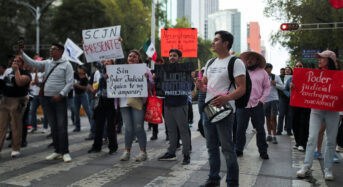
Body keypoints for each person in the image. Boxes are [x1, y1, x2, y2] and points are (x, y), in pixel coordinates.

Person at [197, 31, 244, 187]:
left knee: (227, 148)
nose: (213, 42)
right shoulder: (210, 62)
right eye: (213, 39)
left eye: (216, 40)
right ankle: (213, 179)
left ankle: (232, 182)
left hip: (225, 110)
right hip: (209, 110)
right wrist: (199, 86)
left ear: (226, 43)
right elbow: (204, 86)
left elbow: (242, 88)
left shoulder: (235, 62)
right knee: (211, 146)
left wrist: (227, 98)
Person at [20, 43, 74, 162]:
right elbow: (33, 63)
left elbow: (70, 83)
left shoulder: (67, 65)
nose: (51, 51)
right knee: (53, 126)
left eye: (53, 49)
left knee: (61, 126)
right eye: (50, 49)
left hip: (60, 99)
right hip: (46, 99)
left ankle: (65, 152)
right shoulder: (48, 63)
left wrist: (61, 94)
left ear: (60, 51)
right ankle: (57, 151)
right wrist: (22, 53)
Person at [296, 50, 340, 180]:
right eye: (318, 58)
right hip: (316, 110)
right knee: (312, 138)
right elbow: (304, 88)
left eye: (322, 58)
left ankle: (328, 169)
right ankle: (306, 166)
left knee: (331, 140)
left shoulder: (338, 76)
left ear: (330, 61)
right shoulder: (313, 75)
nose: (319, 60)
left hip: (333, 110)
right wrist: (295, 85)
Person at [157, 48, 191, 165]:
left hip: (180, 104)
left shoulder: (185, 71)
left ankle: (186, 155)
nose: (171, 57)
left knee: (183, 130)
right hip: (168, 104)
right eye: (170, 55)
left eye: (174, 55)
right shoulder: (164, 70)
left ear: (180, 58)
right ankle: (171, 152)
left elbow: (190, 87)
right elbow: (159, 85)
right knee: (171, 131)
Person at [120, 49, 153, 162]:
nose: (131, 58)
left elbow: (152, 84)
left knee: (138, 127)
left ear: (139, 58)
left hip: (138, 102)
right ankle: (127, 151)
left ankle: (143, 152)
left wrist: (147, 79)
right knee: (128, 128)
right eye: (130, 56)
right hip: (124, 102)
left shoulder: (145, 70)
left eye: (134, 56)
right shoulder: (120, 70)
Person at [235, 52, 270, 158]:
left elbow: (267, 88)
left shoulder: (263, 73)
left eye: (252, 58)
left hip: (257, 104)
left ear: (257, 60)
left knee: (260, 129)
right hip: (242, 104)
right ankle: (239, 149)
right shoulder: (241, 72)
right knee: (240, 128)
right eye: (247, 58)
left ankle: (263, 151)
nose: (249, 60)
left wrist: (262, 100)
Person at [0, 56, 31, 158]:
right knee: (2, 126)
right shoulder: (8, 72)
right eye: (14, 61)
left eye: (18, 61)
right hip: (5, 100)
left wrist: (16, 70)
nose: (15, 63)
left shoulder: (26, 74)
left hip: (17, 100)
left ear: (23, 64)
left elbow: (19, 82)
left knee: (16, 125)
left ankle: (15, 148)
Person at [87, 59, 118, 155]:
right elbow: (93, 85)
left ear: (113, 63)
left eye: (109, 61)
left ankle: (113, 147)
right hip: (100, 100)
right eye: (105, 61)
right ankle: (97, 146)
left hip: (111, 101)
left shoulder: (117, 71)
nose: (106, 62)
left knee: (110, 126)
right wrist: (94, 88)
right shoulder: (98, 73)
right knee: (98, 124)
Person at [284, 61, 311, 152]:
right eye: (297, 66)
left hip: (305, 103)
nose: (299, 67)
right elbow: (285, 89)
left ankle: (303, 143)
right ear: (294, 67)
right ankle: (297, 142)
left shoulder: (308, 78)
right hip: (294, 103)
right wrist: (290, 94)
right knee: (294, 123)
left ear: (303, 67)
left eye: (300, 66)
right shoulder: (290, 79)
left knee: (303, 123)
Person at [73, 66, 95, 138]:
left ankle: (92, 127)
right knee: (76, 111)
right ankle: (77, 126)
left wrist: (78, 85)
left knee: (88, 111)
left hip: (83, 95)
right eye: (79, 68)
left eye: (81, 69)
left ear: (84, 71)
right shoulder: (75, 75)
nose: (79, 70)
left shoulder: (85, 78)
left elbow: (85, 87)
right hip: (76, 95)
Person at [264, 63, 283, 144]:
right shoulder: (262, 77)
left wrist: (275, 84)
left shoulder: (276, 77)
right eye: (265, 68)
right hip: (265, 100)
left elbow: (282, 87)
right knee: (267, 118)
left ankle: (274, 136)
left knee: (273, 117)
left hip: (274, 99)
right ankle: (269, 135)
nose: (267, 69)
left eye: (268, 68)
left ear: (271, 68)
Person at [277, 66, 293, 135]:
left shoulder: (293, 77)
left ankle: (289, 130)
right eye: (286, 70)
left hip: (291, 98)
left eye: (288, 70)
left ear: (291, 71)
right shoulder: (281, 78)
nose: (287, 71)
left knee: (289, 115)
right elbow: (280, 87)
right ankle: (279, 130)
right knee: (281, 114)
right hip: (282, 98)